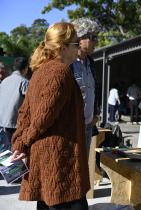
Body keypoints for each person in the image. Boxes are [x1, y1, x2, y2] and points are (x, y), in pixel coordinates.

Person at [10, 22, 89, 210]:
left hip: (48, 163)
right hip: (61, 165)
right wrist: (22, 143)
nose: (78, 48)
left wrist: (20, 142)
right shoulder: (59, 72)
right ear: (63, 47)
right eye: (75, 44)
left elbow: (24, 114)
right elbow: (42, 117)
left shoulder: (39, 73)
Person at [71, 17, 100, 153]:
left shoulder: (91, 63)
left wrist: (95, 114)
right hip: (71, 128)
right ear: (80, 38)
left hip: (88, 126)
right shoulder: (67, 63)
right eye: (93, 38)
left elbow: (94, 90)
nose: (96, 42)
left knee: (83, 168)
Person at [0, 57, 29, 150]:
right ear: (26, 69)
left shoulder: (4, 81)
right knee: (16, 151)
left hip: (2, 122)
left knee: (6, 152)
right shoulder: (24, 82)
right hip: (14, 123)